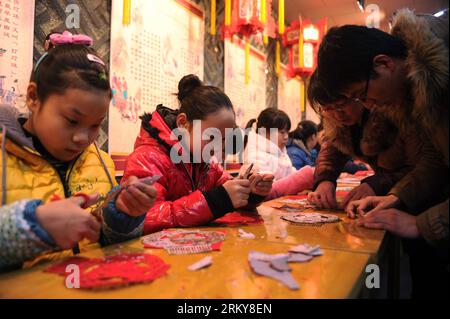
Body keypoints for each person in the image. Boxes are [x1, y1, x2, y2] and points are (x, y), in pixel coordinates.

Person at [314, 9, 449, 297]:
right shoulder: (411, 89)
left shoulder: (422, 92)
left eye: (357, 96)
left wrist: (422, 223)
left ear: (384, 64)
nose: (366, 103)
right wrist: (395, 198)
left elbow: (429, 162)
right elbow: (436, 161)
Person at [0, 31, 156, 272]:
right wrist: (34, 225)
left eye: (95, 125)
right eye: (72, 120)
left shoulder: (100, 162)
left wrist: (123, 215)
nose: (83, 138)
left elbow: (106, 243)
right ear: (33, 97)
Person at [122, 75, 274, 234]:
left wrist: (251, 192)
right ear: (182, 123)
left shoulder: (207, 164)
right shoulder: (147, 158)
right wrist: (217, 200)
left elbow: (227, 189)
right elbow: (144, 217)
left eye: (223, 140)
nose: (217, 147)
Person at [306, 70, 446, 213]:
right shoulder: (338, 123)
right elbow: (331, 152)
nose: (337, 114)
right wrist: (325, 180)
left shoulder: (398, 112)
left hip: (426, 205)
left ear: (355, 93)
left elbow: (426, 168)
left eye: (341, 105)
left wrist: (377, 184)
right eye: (327, 109)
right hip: (394, 200)